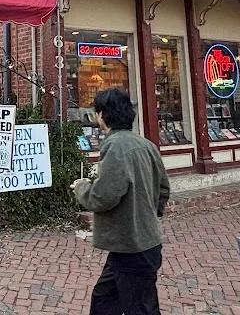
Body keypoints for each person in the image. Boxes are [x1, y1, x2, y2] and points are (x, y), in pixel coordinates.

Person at [71, 88, 170, 315]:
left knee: (139, 307)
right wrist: (149, 217)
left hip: (131, 245)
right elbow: (163, 188)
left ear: (103, 115)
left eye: (98, 113)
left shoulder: (115, 146)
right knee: (104, 299)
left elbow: (103, 197)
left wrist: (81, 187)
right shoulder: (147, 145)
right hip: (139, 243)